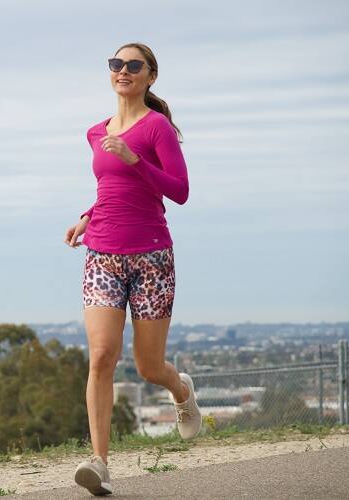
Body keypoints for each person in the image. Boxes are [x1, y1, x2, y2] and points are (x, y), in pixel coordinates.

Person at [63, 42, 201, 496]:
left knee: (147, 367)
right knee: (102, 357)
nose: (123, 70)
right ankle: (99, 463)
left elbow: (179, 191)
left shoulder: (157, 127)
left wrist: (134, 158)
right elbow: (110, 188)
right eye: (116, 64)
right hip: (102, 253)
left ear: (150, 76)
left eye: (133, 65)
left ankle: (180, 389)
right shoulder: (95, 132)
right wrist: (87, 215)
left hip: (151, 256)